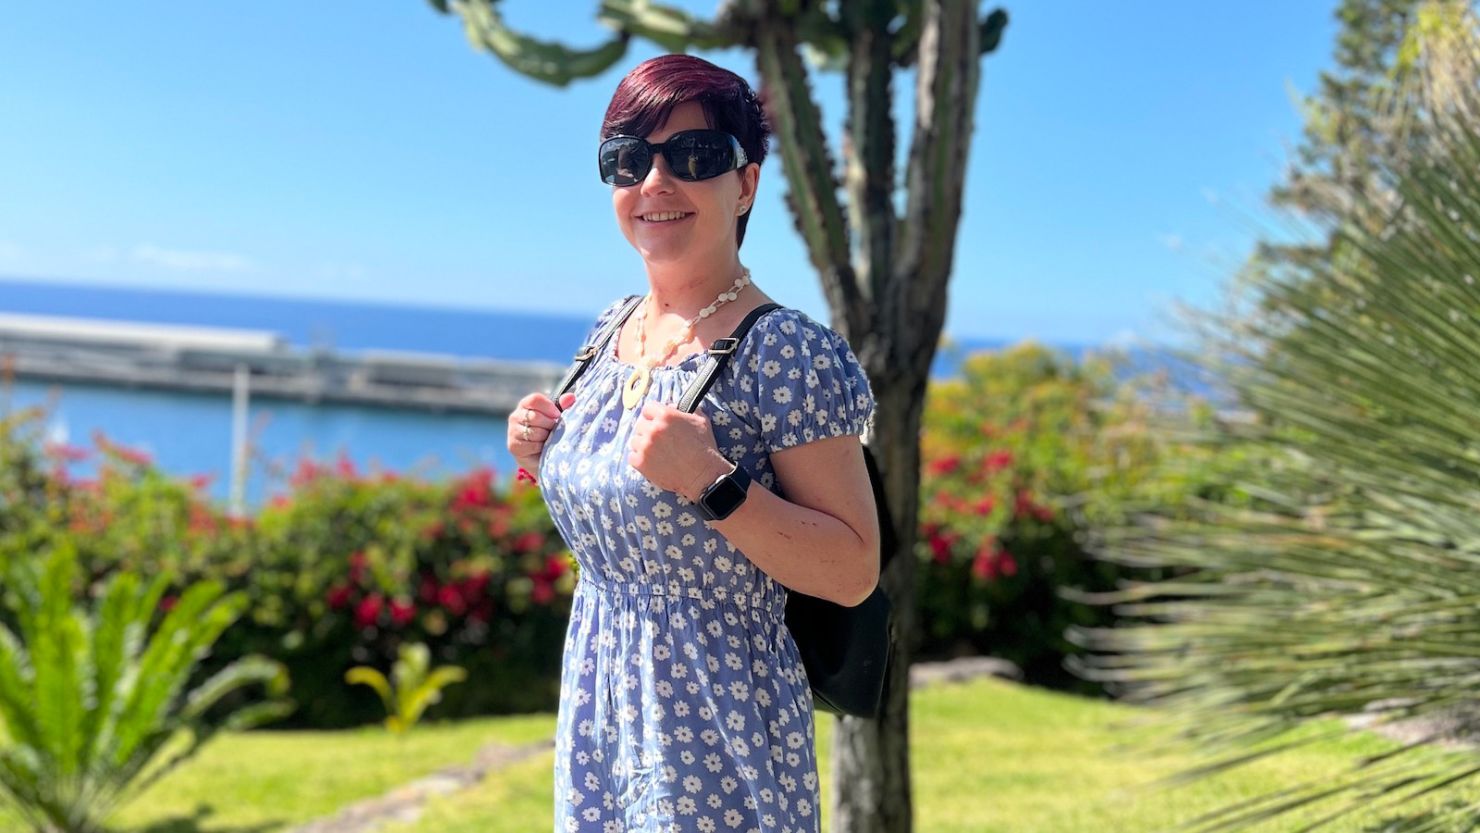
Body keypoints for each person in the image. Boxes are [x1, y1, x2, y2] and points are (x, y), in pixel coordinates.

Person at [506, 53, 880, 833]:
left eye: (695, 157)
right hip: (603, 703)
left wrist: (714, 482)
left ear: (744, 184)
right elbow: (627, 512)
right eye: (628, 159)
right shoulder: (612, 329)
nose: (655, 182)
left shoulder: (785, 351)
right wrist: (543, 446)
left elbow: (851, 568)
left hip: (720, 724)